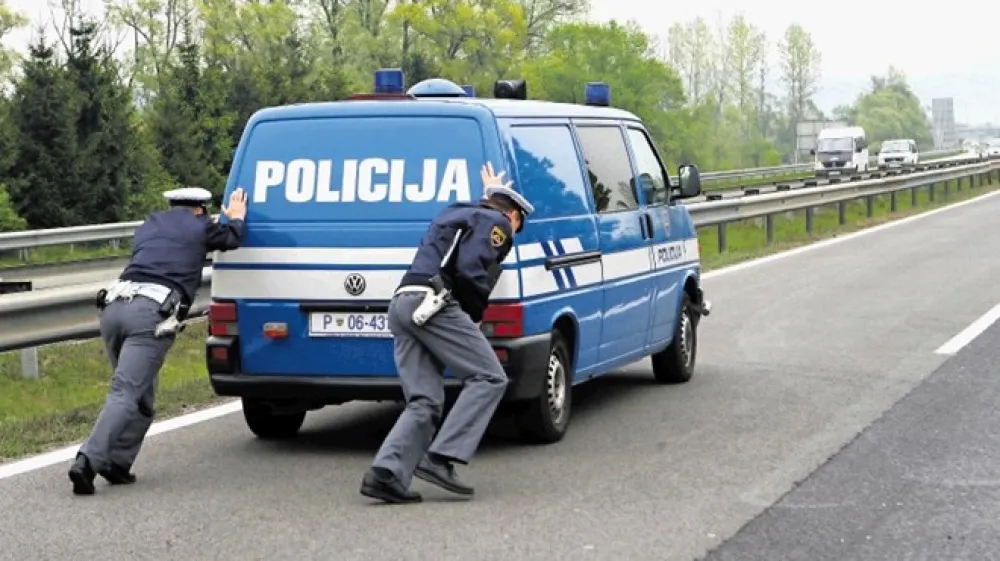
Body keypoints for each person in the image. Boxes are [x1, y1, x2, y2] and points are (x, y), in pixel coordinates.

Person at [360, 162, 534, 504]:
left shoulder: (457, 213)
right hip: (437, 303)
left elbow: (457, 247)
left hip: (403, 302)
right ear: (513, 218)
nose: (511, 236)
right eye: (517, 228)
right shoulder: (497, 222)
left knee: (424, 399)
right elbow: (470, 269)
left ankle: (385, 474)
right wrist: (474, 315)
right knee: (489, 377)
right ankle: (440, 458)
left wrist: (491, 192)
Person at [68, 186, 249, 495]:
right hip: (150, 314)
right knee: (126, 392)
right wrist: (236, 216)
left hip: (113, 308)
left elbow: (173, 240)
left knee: (139, 395)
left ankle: (118, 464)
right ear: (199, 208)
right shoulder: (201, 225)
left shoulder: (149, 225)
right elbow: (231, 238)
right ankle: (87, 460)